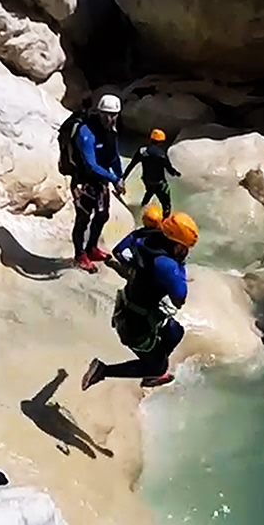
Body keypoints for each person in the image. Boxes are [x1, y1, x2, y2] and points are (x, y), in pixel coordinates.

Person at [82, 212, 197, 390]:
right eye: (184, 248)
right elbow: (179, 299)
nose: (186, 252)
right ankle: (103, 370)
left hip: (131, 305)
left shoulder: (146, 239)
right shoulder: (167, 266)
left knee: (175, 333)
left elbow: (121, 250)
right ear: (176, 245)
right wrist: (179, 270)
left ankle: (155, 365)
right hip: (136, 324)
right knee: (157, 367)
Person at [59, 94, 125, 272]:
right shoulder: (85, 133)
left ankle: (92, 248)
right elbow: (90, 164)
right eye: (105, 114)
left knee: (102, 215)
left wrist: (120, 175)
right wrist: (114, 179)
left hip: (100, 181)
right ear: (99, 112)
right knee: (83, 219)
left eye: (113, 115)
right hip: (83, 182)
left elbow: (114, 155)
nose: (109, 119)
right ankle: (80, 255)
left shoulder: (111, 131)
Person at [130, 128, 182, 217]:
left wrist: (122, 179)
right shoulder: (161, 155)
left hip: (147, 180)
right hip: (159, 183)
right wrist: (176, 173)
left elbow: (131, 165)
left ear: (150, 139)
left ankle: (141, 212)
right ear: (161, 142)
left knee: (149, 192)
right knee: (166, 204)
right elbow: (169, 169)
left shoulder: (142, 151)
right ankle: (164, 222)